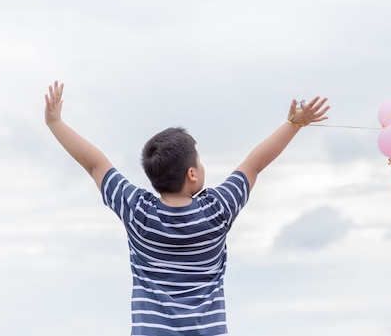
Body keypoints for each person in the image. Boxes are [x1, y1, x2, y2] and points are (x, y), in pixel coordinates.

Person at [44, 81, 330, 336]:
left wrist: (56, 123)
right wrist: (293, 125)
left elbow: (95, 163)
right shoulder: (217, 211)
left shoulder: (138, 213)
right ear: (192, 174)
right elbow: (255, 164)